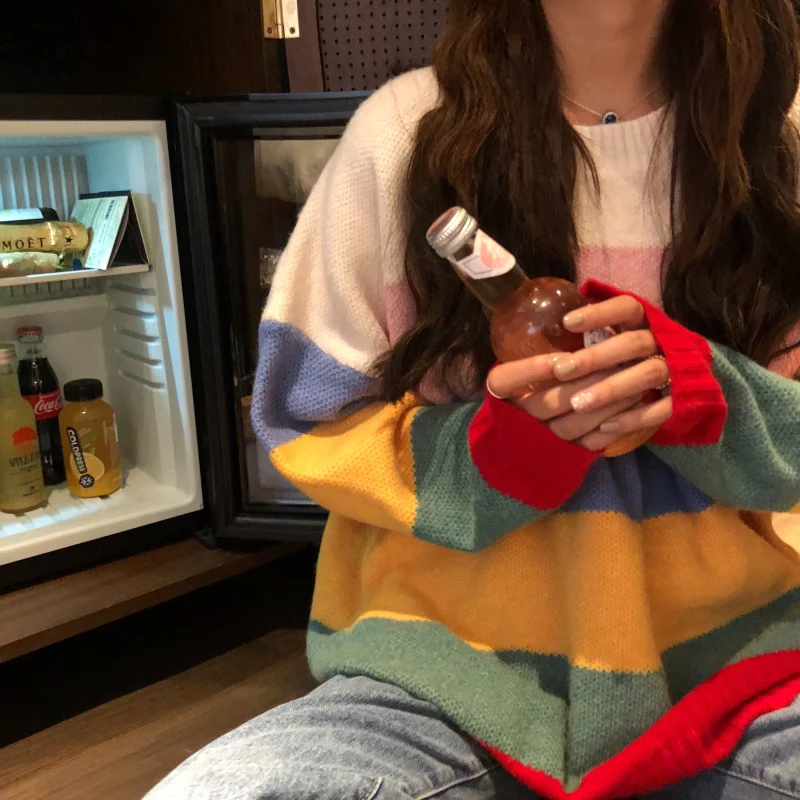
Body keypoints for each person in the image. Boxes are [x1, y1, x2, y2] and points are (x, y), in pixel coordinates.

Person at [146, 0, 800, 797]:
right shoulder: (402, 135)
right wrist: (492, 458)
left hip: (740, 673)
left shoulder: (777, 138)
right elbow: (308, 418)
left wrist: (707, 396)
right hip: (439, 677)